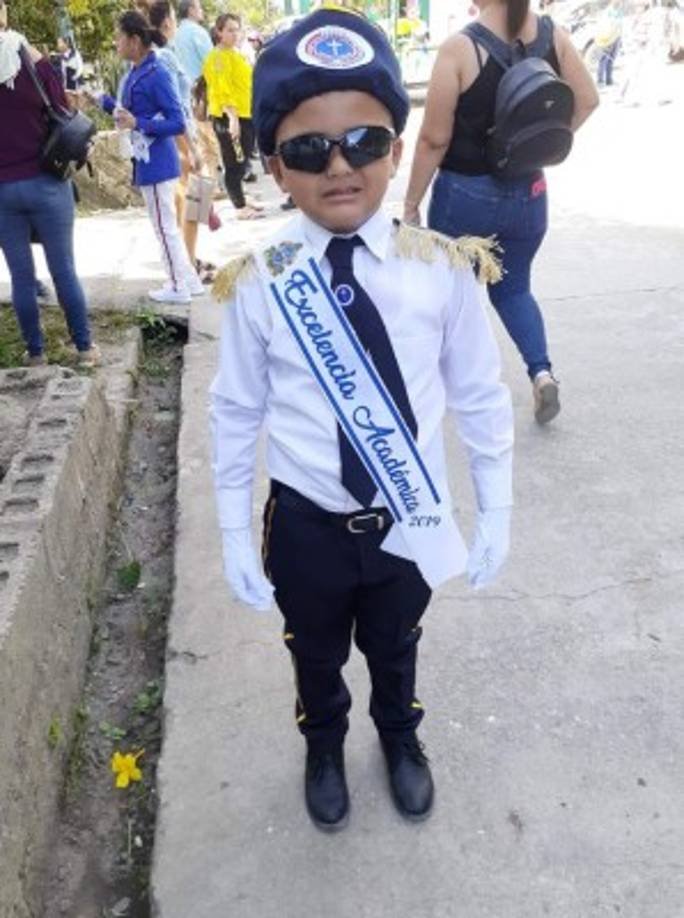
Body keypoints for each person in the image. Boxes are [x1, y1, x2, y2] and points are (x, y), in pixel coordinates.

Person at [209, 7, 514, 832]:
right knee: (313, 654)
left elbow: (481, 396)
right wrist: (237, 533)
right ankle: (323, 742)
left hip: (405, 516)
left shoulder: (441, 269)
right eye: (310, 149)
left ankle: (400, 736)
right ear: (275, 162)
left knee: (396, 644)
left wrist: (497, 506)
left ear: (397, 146)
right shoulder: (264, 281)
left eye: (367, 143)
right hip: (306, 519)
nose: (340, 166)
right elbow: (236, 411)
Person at [403, 0, 599, 424]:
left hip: (465, 195)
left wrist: (411, 202)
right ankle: (541, 372)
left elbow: (433, 139)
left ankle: (443, 392)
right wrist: (539, 145)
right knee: (513, 289)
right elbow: (587, 99)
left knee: (449, 293)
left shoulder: (460, 49)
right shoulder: (553, 36)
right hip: (529, 190)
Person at [0, 3, 98, 367]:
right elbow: (59, 107)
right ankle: (85, 348)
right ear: (5, 19)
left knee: (21, 277)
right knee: (63, 270)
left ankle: (35, 353)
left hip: (2, 192)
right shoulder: (35, 64)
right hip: (45, 181)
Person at [93, 11, 203, 305]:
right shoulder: (136, 72)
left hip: (157, 161)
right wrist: (100, 101)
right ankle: (188, 279)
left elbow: (176, 122)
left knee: (164, 227)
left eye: (119, 37)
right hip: (149, 160)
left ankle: (179, 285)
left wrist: (139, 124)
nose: (116, 43)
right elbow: (128, 115)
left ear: (135, 40)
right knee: (166, 225)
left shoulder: (156, 73)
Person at [148, 0, 216, 284]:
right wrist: (189, 146)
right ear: (167, 22)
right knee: (193, 198)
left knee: (192, 199)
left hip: (180, 134)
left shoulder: (162, 54)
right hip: (180, 136)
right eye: (173, 18)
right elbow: (171, 105)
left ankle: (189, 259)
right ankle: (188, 264)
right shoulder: (164, 57)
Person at [203, 13, 262, 220]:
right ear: (219, 32)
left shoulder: (234, 53)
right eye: (229, 30)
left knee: (243, 159)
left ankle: (242, 200)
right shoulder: (218, 56)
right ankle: (239, 207)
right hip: (229, 117)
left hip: (245, 114)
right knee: (234, 163)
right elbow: (222, 89)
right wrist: (233, 119)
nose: (235, 34)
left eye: (237, 29)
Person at [594, 0, 624, 87]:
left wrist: (619, 38)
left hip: (615, 38)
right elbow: (605, 27)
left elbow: (620, 25)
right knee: (604, 60)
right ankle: (600, 81)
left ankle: (609, 80)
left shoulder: (619, 11)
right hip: (606, 39)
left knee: (611, 60)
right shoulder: (607, 12)